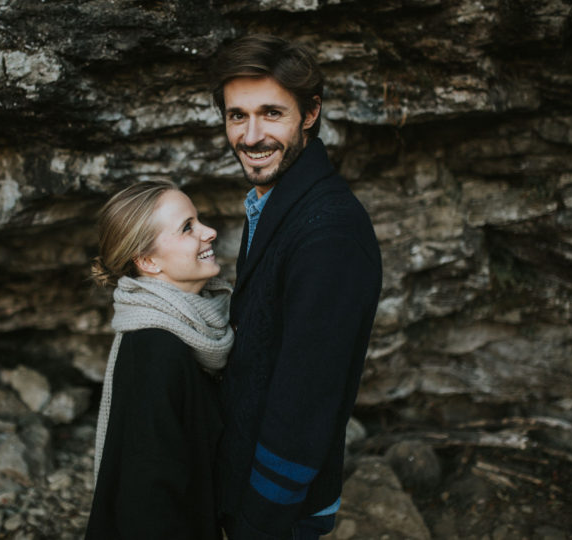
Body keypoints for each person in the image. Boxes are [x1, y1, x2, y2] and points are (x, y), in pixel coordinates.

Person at [210, 34, 383, 539]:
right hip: (245, 489)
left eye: (271, 113)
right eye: (236, 115)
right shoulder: (274, 201)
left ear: (309, 114)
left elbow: (306, 399)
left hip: (278, 512)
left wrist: (259, 521)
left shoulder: (329, 233)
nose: (251, 135)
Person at [84, 180, 234, 539]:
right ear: (148, 261)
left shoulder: (183, 331)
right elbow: (148, 500)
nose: (209, 232)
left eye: (199, 220)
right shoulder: (157, 349)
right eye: (187, 228)